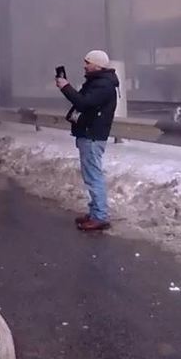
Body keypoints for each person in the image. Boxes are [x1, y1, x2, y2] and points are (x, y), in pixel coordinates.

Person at [56, 49, 119, 231]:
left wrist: (66, 87)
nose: (85, 66)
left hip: (92, 135)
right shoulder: (97, 82)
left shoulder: (103, 84)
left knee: (93, 176)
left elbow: (83, 103)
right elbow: (83, 101)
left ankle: (99, 216)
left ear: (97, 65)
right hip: (88, 133)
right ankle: (95, 212)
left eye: (88, 62)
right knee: (91, 175)